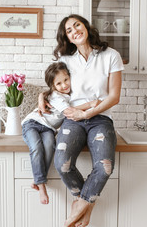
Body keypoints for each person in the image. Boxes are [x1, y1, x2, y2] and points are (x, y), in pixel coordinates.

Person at [38, 14, 124, 227]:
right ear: (66, 37)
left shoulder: (110, 55)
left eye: (77, 25)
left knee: (104, 167)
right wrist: (42, 96)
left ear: (86, 27)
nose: (74, 30)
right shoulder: (66, 61)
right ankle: (85, 200)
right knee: (62, 164)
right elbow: (56, 90)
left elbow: (113, 97)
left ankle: (81, 206)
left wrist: (88, 113)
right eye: (68, 30)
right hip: (72, 119)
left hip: (101, 118)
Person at [21, 62, 101, 205]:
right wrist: (90, 104)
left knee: (50, 146)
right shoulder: (55, 96)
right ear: (53, 87)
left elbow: (71, 105)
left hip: (48, 129)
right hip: (33, 123)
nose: (64, 85)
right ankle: (40, 185)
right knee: (36, 147)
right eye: (59, 83)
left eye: (66, 80)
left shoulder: (69, 94)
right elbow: (69, 111)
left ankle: (38, 180)